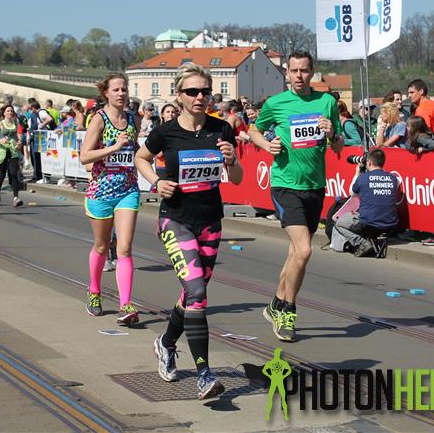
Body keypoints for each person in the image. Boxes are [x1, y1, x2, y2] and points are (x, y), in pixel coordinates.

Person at [135, 62, 243, 400]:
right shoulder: (166, 132)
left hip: (210, 221)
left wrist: (231, 161)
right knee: (197, 293)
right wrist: (156, 182)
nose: (200, 97)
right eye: (192, 91)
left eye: (205, 91)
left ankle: (166, 343)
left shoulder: (221, 129)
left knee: (192, 296)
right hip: (175, 220)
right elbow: (141, 158)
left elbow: (237, 178)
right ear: (179, 95)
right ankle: (205, 375)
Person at [249, 50, 343, 342]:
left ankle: (275, 304)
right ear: (287, 73)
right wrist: (267, 146)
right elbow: (253, 130)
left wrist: (332, 134)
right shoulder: (276, 103)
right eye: (294, 71)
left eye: (304, 70)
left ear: (312, 72)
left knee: (295, 253)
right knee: (304, 250)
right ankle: (287, 311)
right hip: (285, 184)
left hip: (314, 186)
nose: (299, 76)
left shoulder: (327, 102)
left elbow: (339, 146)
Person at [79, 73, 141, 326]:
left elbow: (136, 151)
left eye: (124, 89)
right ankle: (94, 291)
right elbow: (84, 156)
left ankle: (126, 303)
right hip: (101, 191)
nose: (121, 93)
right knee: (102, 246)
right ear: (106, 93)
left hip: (128, 189)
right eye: (116, 90)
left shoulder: (133, 119)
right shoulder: (99, 119)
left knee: (124, 248)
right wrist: (114, 147)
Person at [333, 148, 399, 257]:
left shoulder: (363, 178)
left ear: (369, 162)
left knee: (339, 223)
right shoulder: (393, 178)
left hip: (369, 224)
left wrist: (357, 173)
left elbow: (352, 193)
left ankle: (362, 242)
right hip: (390, 224)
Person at [0, 103, 23, 207]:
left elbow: (16, 136)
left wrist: (18, 142)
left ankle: (16, 198)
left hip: (13, 150)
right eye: (8, 111)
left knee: (13, 173)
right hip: (2, 150)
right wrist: (0, 140)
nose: (10, 113)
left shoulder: (15, 122)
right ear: (4, 113)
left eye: (11, 111)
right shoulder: (0, 124)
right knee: (3, 173)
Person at [408, 79, 434, 146]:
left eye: (412, 92)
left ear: (421, 91)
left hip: (429, 149)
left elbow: (424, 135)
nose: (409, 95)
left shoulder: (421, 110)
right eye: (408, 93)